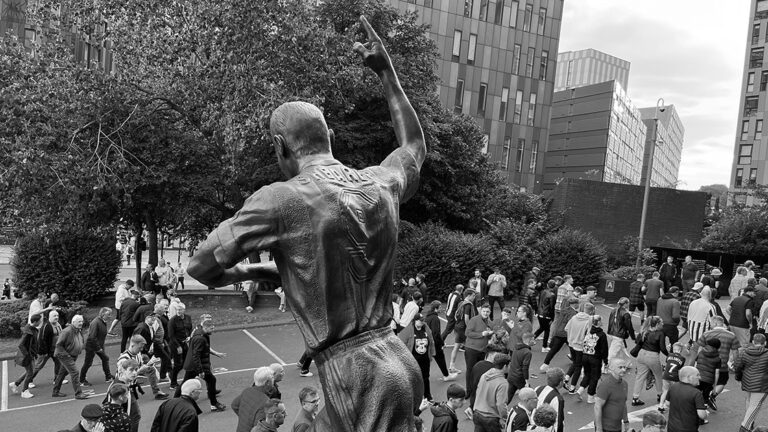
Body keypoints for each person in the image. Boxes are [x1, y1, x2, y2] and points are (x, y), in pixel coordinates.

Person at [187, 16, 427, 431]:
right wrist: (386, 71)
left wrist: (259, 268)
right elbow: (413, 146)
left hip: (354, 374)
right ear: (329, 135)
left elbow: (201, 267)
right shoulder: (379, 181)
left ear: (279, 147)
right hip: (397, 359)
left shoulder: (280, 199)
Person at [179, 318, 226, 412]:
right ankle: (214, 404)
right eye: (211, 328)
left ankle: (176, 402)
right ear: (205, 327)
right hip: (197, 366)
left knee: (186, 382)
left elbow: (205, 349)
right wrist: (200, 371)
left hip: (194, 365)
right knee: (211, 380)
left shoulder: (202, 335)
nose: (213, 330)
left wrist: (216, 354)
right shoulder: (200, 338)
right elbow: (196, 355)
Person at [697, 315, 739, 409]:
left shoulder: (706, 334)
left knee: (703, 384)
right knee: (722, 382)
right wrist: (736, 364)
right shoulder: (731, 335)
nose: (710, 325)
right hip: (722, 365)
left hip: (705, 365)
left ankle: (702, 401)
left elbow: (700, 349)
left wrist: (698, 362)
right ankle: (712, 396)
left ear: (715, 323)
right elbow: (735, 351)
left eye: (711, 323)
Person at [116, 335, 168, 400]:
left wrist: (149, 364)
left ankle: (157, 392)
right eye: (140, 348)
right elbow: (124, 376)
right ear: (132, 345)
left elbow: (140, 366)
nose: (141, 349)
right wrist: (140, 370)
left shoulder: (138, 354)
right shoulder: (124, 359)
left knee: (150, 369)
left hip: (130, 386)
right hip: (122, 388)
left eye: (142, 348)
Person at [734, 332, 768, 432]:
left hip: (747, 381)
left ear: (753, 342)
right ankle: (745, 427)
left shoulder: (744, 352)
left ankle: (750, 421)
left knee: (749, 401)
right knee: (755, 405)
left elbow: (737, 366)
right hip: (762, 384)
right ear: (764, 343)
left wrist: (738, 378)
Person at [631, 316, 667, 406]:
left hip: (641, 355)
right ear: (657, 324)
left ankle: (635, 398)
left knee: (640, 377)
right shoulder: (660, 333)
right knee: (658, 376)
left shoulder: (644, 331)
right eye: (661, 323)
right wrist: (669, 355)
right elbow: (662, 348)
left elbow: (637, 341)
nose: (663, 324)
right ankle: (660, 395)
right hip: (653, 356)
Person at [52, 314, 90, 399]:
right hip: (65, 355)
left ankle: (55, 391)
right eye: (79, 321)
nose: (81, 323)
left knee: (63, 373)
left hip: (72, 355)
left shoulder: (77, 330)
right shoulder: (67, 331)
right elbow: (59, 345)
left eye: (81, 321)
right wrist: (67, 355)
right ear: (73, 322)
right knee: (75, 372)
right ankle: (78, 394)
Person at [400, 313, 436, 400]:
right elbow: (400, 343)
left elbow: (431, 340)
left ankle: (427, 395)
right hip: (413, 360)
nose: (422, 322)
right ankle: (413, 397)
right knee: (413, 378)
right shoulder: (408, 330)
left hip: (425, 358)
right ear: (415, 321)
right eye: (420, 321)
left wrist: (432, 353)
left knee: (425, 377)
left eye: (423, 320)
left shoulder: (426, 328)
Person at [25, 309, 63, 389]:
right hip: (45, 351)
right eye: (54, 316)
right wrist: (44, 352)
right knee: (38, 366)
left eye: (57, 316)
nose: (56, 317)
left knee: (58, 363)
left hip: (55, 349)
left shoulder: (58, 324)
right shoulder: (46, 326)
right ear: (49, 317)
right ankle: (29, 381)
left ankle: (57, 379)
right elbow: (41, 340)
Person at [472, 353, 510, 432]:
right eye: (509, 365)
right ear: (504, 366)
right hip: (490, 418)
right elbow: (501, 404)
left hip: (477, 413)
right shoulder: (503, 383)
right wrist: (505, 418)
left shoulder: (485, 375)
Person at [540, 297, 579, 373]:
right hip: (566, 334)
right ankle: (576, 366)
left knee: (553, 350)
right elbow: (571, 324)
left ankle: (545, 364)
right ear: (575, 304)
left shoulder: (563, 310)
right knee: (574, 350)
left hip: (558, 332)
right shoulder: (573, 313)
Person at [576, 315, 608, 403]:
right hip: (595, 358)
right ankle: (590, 396)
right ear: (598, 322)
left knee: (588, 374)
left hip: (585, 356)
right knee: (595, 377)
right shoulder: (601, 334)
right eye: (601, 321)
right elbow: (604, 349)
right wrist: (605, 360)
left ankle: (580, 390)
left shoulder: (588, 331)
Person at [564, 302, 595, 393]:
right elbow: (589, 335)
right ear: (592, 311)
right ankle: (572, 387)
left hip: (571, 343)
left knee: (575, 362)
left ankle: (566, 379)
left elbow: (566, 328)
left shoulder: (574, 317)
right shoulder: (589, 320)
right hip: (580, 346)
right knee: (578, 366)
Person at [232, 367, 275, 432]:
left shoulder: (247, 391)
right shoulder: (265, 402)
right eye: (272, 378)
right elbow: (259, 428)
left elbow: (234, 405)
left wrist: (244, 419)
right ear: (267, 383)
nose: (274, 380)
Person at [424, 301, 458, 382]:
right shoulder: (435, 318)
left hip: (428, 341)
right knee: (440, 359)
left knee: (427, 361)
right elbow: (436, 333)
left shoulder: (428, 317)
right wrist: (441, 343)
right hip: (435, 343)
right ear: (436, 308)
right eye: (440, 307)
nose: (441, 308)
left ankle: (423, 376)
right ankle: (446, 375)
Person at [10, 312, 42, 398]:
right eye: (40, 321)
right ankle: (24, 391)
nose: (41, 322)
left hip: (31, 354)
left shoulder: (32, 329)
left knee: (29, 371)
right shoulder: (28, 332)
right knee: (30, 373)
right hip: (27, 355)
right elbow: (21, 344)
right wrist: (27, 355)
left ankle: (16, 384)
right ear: (35, 322)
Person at [667, 366, 708, 432]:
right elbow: (702, 415)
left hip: (672, 427)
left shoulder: (673, 386)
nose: (700, 377)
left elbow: (667, 403)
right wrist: (705, 413)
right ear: (689, 377)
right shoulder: (696, 393)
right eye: (697, 375)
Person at [80, 307, 114, 387]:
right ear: (103, 314)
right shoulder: (96, 322)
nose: (110, 316)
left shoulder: (103, 322)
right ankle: (81, 380)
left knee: (105, 358)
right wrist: (98, 348)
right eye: (108, 314)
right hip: (92, 346)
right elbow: (92, 337)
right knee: (88, 363)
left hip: (98, 346)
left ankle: (108, 377)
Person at [594, 358, 630, 432]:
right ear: (612, 369)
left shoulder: (624, 384)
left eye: (624, 367)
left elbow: (623, 404)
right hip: (605, 428)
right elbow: (597, 407)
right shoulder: (605, 385)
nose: (623, 370)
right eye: (620, 367)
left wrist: (626, 421)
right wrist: (599, 429)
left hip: (617, 427)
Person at [465, 303, 494, 391]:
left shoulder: (490, 322)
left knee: (480, 370)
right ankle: (469, 390)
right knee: (470, 370)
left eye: (487, 312)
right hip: (472, 349)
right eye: (484, 311)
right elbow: (468, 333)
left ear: (490, 312)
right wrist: (481, 334)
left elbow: (489, 336)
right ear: (481, 311)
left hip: (482, 350)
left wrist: (490, 334)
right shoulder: (474, 320)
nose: (485, 313)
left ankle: (477, 388)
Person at [449, 288, 477, 373]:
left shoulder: (461, 302)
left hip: (457, 326)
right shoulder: (468, 305)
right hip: (463, 329)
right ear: (468, 296)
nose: (474, 297)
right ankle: (471, 367)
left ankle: (451, 366)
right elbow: (466, 318)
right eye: (473, 295)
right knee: (470, 348)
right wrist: (470, 328)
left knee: (456, 347)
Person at [168, 303, 193, 389]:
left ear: (184, 310)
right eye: (177, 310)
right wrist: (178, 346)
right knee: (178, 364)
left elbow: (190, 329)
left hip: (185, 342)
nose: (178, 311)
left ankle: (185, 379)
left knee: (186, 362)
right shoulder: (172, 320)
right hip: (176, 344)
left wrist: (189, 337)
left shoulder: (188, 318)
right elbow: (171, 335)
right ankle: (173, 383)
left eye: (180, 309)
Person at [535, 367, 566, 432]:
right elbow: (558, 421)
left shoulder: (538, 388)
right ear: (560, 383)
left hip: (534, 426)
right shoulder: (558, 398)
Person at [658, 342, 686, 413]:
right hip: (674, 376)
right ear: (680, 350)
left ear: (673, 349)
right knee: (675, 391)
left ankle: (661, 405)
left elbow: (667, 362)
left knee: (665, 391)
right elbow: (679, 368)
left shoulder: (669, 355)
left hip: (666, 375)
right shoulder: (682, 358)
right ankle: (675, 406)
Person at [505, 332, 533, 404]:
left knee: (508, 396)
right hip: (519, 378)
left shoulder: (516, 348)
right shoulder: (527, 352)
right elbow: (525, 367)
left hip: (511, 376)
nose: (534, 341)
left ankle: (499, 411)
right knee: (530, 396)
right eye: (533, 339)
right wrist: (526, 380)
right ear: (529, 340)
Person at [694, 337, 721, 408]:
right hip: (708, 381)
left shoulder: (701, 353)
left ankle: (693, 409)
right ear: (717, 348)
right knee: (705, 397)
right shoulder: (718, 359)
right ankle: (703, 409)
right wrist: (715, 386)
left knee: (695, 394)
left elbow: (695, 364)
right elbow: (717, 373)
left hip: (698, 378)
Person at [687, 286, 715, 352]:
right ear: (710, 295)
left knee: (694, 352)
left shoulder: (693, 303)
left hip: (692, 331)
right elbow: (713, 321)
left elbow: (688, 316)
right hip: (703, 334)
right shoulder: (710, 306)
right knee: (702, 353)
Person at [607, 297, 634, 363]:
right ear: (625, 304)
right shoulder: (626, 313)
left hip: (611, 332)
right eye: (628, 303)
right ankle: (606, 365)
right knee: (612, 352)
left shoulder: (613, 310)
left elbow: (610, 321)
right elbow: (629, 326)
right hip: (619, 335)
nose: (629, 305)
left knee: (622, 349)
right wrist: (633, 337)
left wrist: (609, 331)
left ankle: (627, 363)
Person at [535, 280, 556, 353]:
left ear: (547, 285)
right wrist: (552, 318)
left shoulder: (543, 292)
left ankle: (529, 340)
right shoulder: (552, 295)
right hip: (546, 315)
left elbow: (537, 288)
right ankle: (544, 346)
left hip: (540, 313)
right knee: (546, 330)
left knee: (541, 328)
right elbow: (552, 307)